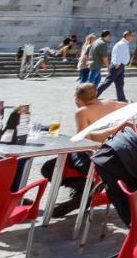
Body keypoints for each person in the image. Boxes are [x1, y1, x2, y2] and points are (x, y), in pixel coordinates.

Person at [41, 83, 128, 216]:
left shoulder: (82, 111)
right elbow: (130, 106)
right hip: (111, 152)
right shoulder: (110, 103)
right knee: (56, 165)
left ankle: (87, 191)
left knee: (48, 168)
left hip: (91, 155)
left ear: (78, 99)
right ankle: (83, 192)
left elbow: (82, 139)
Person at [96, 31, 133, 100]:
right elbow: (117, 55)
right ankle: (93, 96)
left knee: (120, 83)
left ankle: (121, 99)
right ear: (127, 36)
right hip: (117, 65)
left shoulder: (124, 43)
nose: (133, 38)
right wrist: (117, 64)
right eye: (132, 36)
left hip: (120, 66)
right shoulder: (122, 44)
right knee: (107, 82)